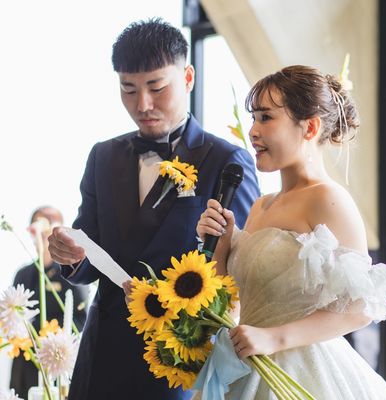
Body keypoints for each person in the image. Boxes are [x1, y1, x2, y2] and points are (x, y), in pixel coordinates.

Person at [47, 18, 259, 400]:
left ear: (188, 77)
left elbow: (238, 275)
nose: (142, 104)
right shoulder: (102, 156)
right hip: (102, 358)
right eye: (128, 89)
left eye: (156, 87)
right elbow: (89, 249)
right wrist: (72, 255)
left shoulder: (227, 161)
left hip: (176, 363)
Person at [196, 65, 386, 399]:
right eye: (253, 118)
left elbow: (360, 309)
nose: (253, 131)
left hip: (305, 373)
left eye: (266, 118)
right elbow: (233, 305)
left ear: (310, 127)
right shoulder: (260, 206)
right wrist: (221, 248)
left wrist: (275, 338)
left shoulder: (329, 199)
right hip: (249, 368)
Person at [10, 206, 89, 399]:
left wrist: (52, 336)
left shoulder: (71, 273)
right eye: (39, 222)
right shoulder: (24, 274)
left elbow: (81, 318)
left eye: (50, 222)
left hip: (56, 361)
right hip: (27, 361)